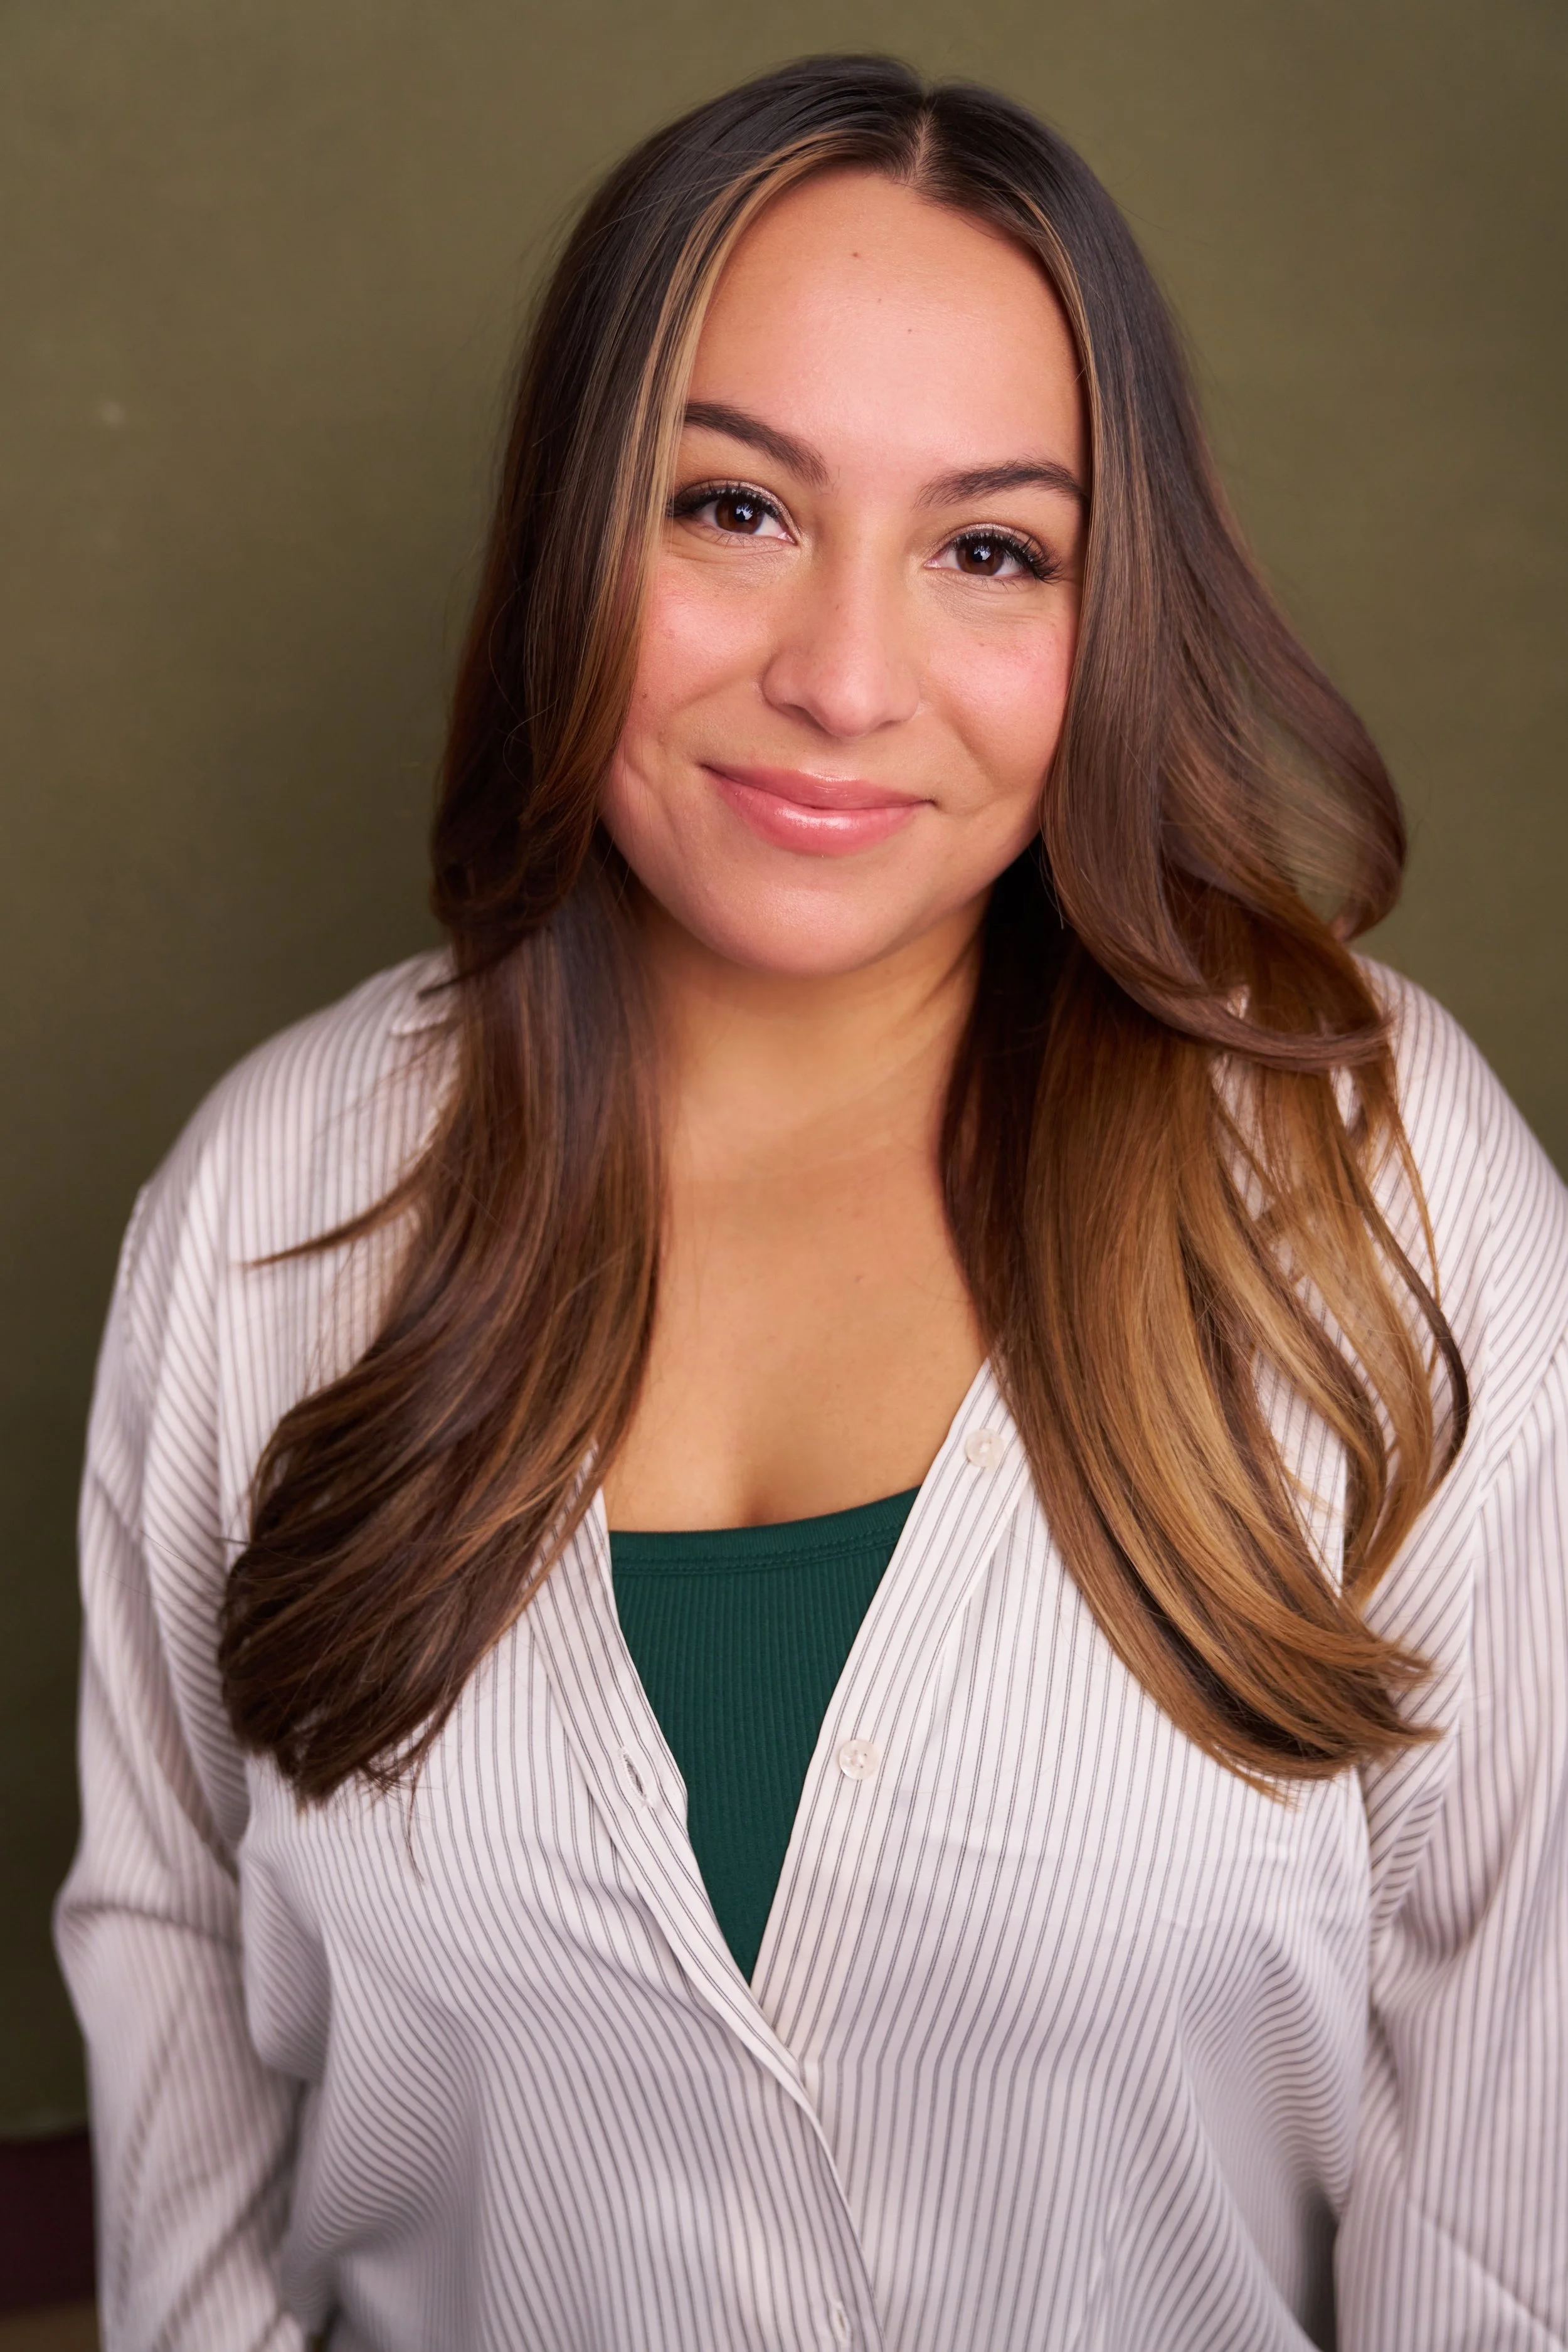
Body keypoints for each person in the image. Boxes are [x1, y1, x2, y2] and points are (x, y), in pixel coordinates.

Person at [56, 53, 1567, 2352]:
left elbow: (1511, 2139)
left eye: (989, 549)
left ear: (1107, 610)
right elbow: (175, 2010)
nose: (842, 681)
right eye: (732, 510)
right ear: (580, 527)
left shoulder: (1364, 1174)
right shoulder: (271, 1201)